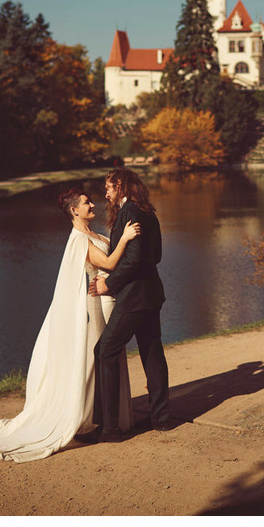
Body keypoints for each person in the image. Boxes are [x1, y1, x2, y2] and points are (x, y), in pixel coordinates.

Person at [0, 187, 140, 462]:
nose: (92, 204)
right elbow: (107, 262)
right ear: (74, 210)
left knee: (102, 361)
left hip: (106, 300)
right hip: (97, 307)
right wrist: (126, 239)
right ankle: (97, 420)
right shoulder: (79, 240)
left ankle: (103, 418)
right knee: (98, 361)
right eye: (85, 203)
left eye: (90, 200)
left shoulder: (92, 234)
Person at [80, 168, 172, 442]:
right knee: (152, 353)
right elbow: (155, 256)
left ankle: (110, 428)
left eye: (108, 187)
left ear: (120, 185)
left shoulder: (128, 212)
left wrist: (110, 284)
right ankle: (162, 419)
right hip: (151, 293)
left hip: (133, 297)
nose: (105, 192)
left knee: (105, 350)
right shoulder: (148, 212)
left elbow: (132, 260)